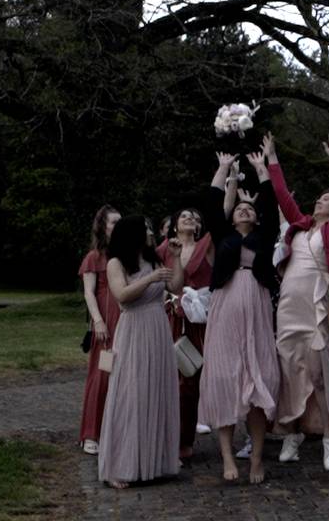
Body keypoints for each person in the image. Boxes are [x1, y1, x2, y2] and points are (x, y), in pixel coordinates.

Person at [265, 132, 329, 471]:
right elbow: (283, 196)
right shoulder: (299, 228)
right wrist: (272, 156)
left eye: (326, 199)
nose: (321, 200)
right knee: (288, 372)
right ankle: (292, 433)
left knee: (317, 373)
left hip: (314, 308)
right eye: (319, 198)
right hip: (288, 307)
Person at [197, 150, 281, 484]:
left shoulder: (264, 235)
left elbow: (271, 205)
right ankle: (228, 457)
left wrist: (262, 168)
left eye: (250, 208)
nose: (245, 209)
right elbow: (212, 202)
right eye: (240, 208)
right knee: (223, 378)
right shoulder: (224, 235)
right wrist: (222, 167)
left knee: (258, 380)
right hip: (226, 305)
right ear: (232, 218)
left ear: (256, 217)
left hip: (257, 306)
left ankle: (257, 459)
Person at [98, 216, 184, 489]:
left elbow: (176, 286)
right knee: (131, 394)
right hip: (134, 329)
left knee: (156, 391)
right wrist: (150, 279)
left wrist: (176, 257)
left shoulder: (154, 260)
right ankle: (120, 465)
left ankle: (155, 462)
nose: (149, 232)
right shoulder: (116, 263)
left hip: (158, 329)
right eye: (145, 229)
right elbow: (121, 295)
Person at [156, 205, 212, 460]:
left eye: (194, 217)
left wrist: (229, 178)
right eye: (184, 216)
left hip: (196, 320)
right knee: (166, 378)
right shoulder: (162, 250)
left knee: (190, 379)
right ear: (175, 224)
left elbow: (222, 209)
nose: (190, 218)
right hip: (169, 318)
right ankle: (163, 438)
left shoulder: (206, 246)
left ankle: (185, 440)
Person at [78, 204, 121, 455]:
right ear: (103, 226)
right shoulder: (94, 257)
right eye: (113, 222)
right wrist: (98, 321)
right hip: (106, 324)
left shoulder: (127, 256)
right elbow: (89, 292)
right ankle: (91, 433)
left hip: (126, 321)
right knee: (102, 374)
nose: (117, 226)